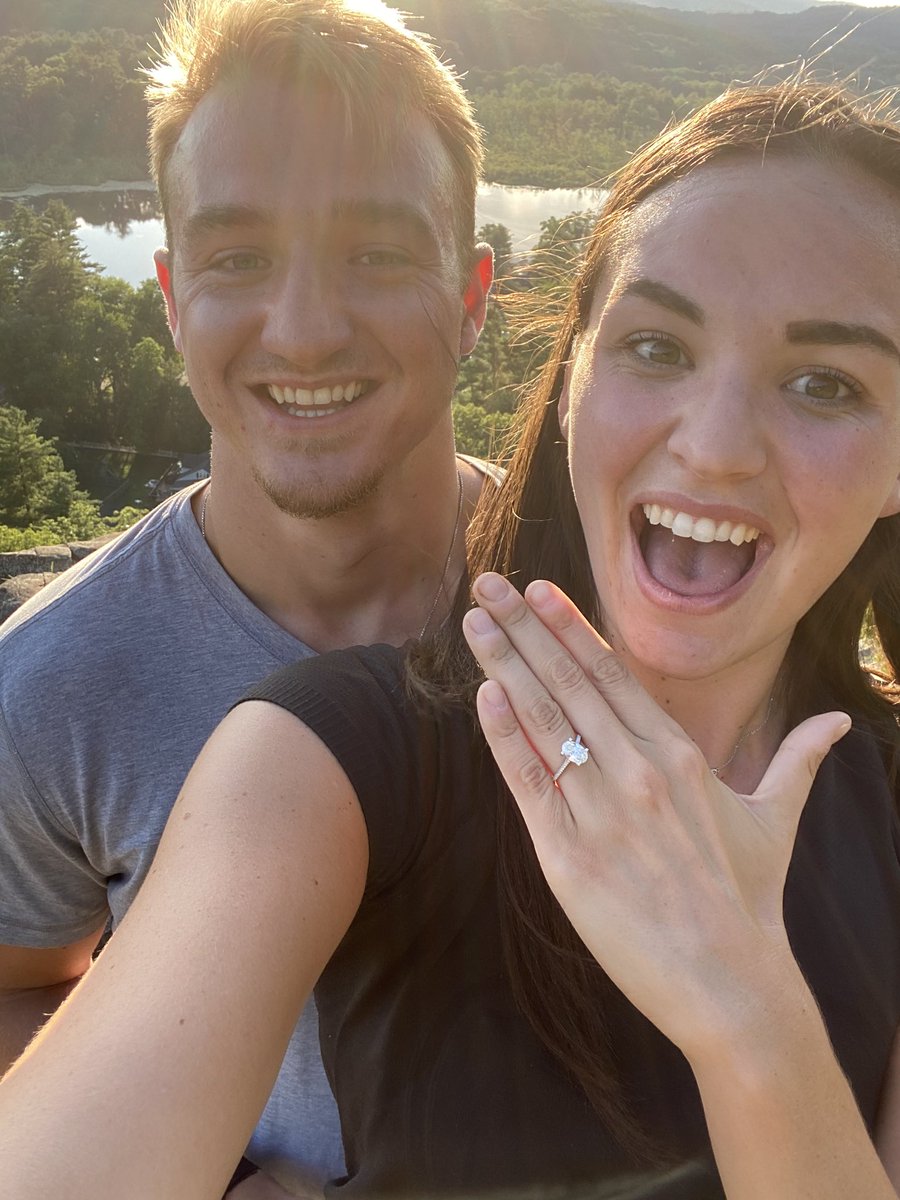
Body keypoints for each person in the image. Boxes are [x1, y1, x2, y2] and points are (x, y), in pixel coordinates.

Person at [2, 76, 900, 1200]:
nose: (715, 447)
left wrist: (749, 1014)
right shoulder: (323, 761)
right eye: (659, 348)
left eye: (825, 382)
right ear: (570, 378)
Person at [0, 0, 493, 1193]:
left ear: (472, 295)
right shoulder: (54, 684)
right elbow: (22, 990)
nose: (306, 329)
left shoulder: (614, 607)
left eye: (378, 252)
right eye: (237, 259)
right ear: (172, 297)